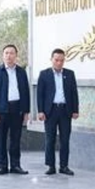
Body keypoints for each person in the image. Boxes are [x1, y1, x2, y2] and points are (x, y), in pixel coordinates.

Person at [0, 44, 31, 175]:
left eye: (11, 53)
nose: (9, 56)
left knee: (16, 139)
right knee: (1, 139)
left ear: (16, 56)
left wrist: (26, 111)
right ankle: (2, 165)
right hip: (2, 110)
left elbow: (25, 92)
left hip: (17, 109)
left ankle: (15, 165)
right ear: (3, 55)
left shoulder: (21, 72)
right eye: (6, 53)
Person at [36, 48, 79, 176]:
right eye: (56, 60)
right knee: (50, 139)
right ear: (51, 60)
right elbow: (40, 94)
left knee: (65, 139)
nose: (59, 63)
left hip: (65, 110)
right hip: (50, 110)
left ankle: (64, 166)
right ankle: (50, 165)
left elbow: (73, 93)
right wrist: (40, 111)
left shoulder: (70, 74)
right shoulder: (44, 74)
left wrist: (75, 110)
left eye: (62, 60)